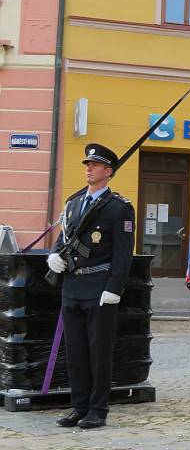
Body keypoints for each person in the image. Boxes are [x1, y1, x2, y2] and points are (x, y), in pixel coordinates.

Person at [47, 143, 135, 429]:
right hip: (73, 286)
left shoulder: (117, 207)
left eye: (95, 165)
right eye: (87, 164)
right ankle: (79, 405)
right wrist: (53, 257)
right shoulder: (73, 204)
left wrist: (115, 288)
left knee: (99, 352)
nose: (89, 168)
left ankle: (97, 409)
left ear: (108, 172)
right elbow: (64, 240)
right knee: (75, 352)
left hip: (100, 287)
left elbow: (123, 253)